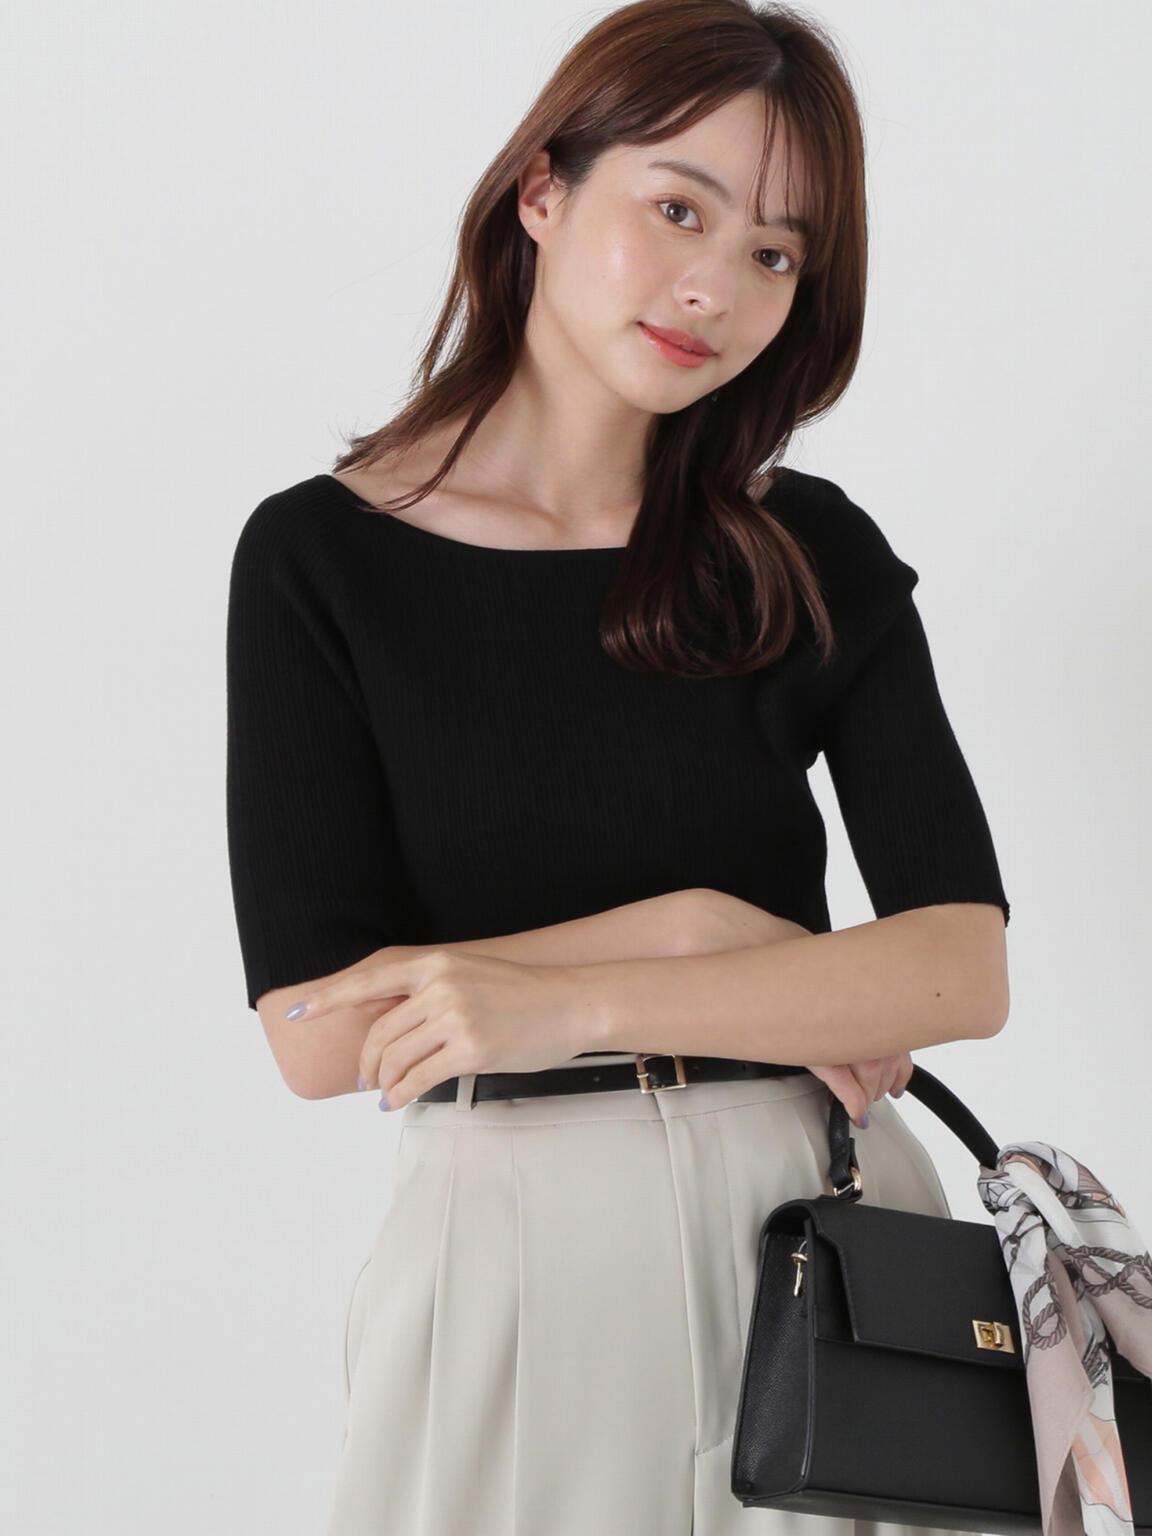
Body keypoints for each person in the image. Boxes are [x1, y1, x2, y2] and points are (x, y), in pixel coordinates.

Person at [224, 2, 1011, 1531]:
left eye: (776, 253)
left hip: (823, 1235)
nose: (717, 285)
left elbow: (959, 968)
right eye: (678, 209)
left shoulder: (808, 552)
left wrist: (579, 997)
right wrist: (701, 935)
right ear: (543, 191)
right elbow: (319, 1031)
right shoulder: (324, 560)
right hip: (516, 1254)